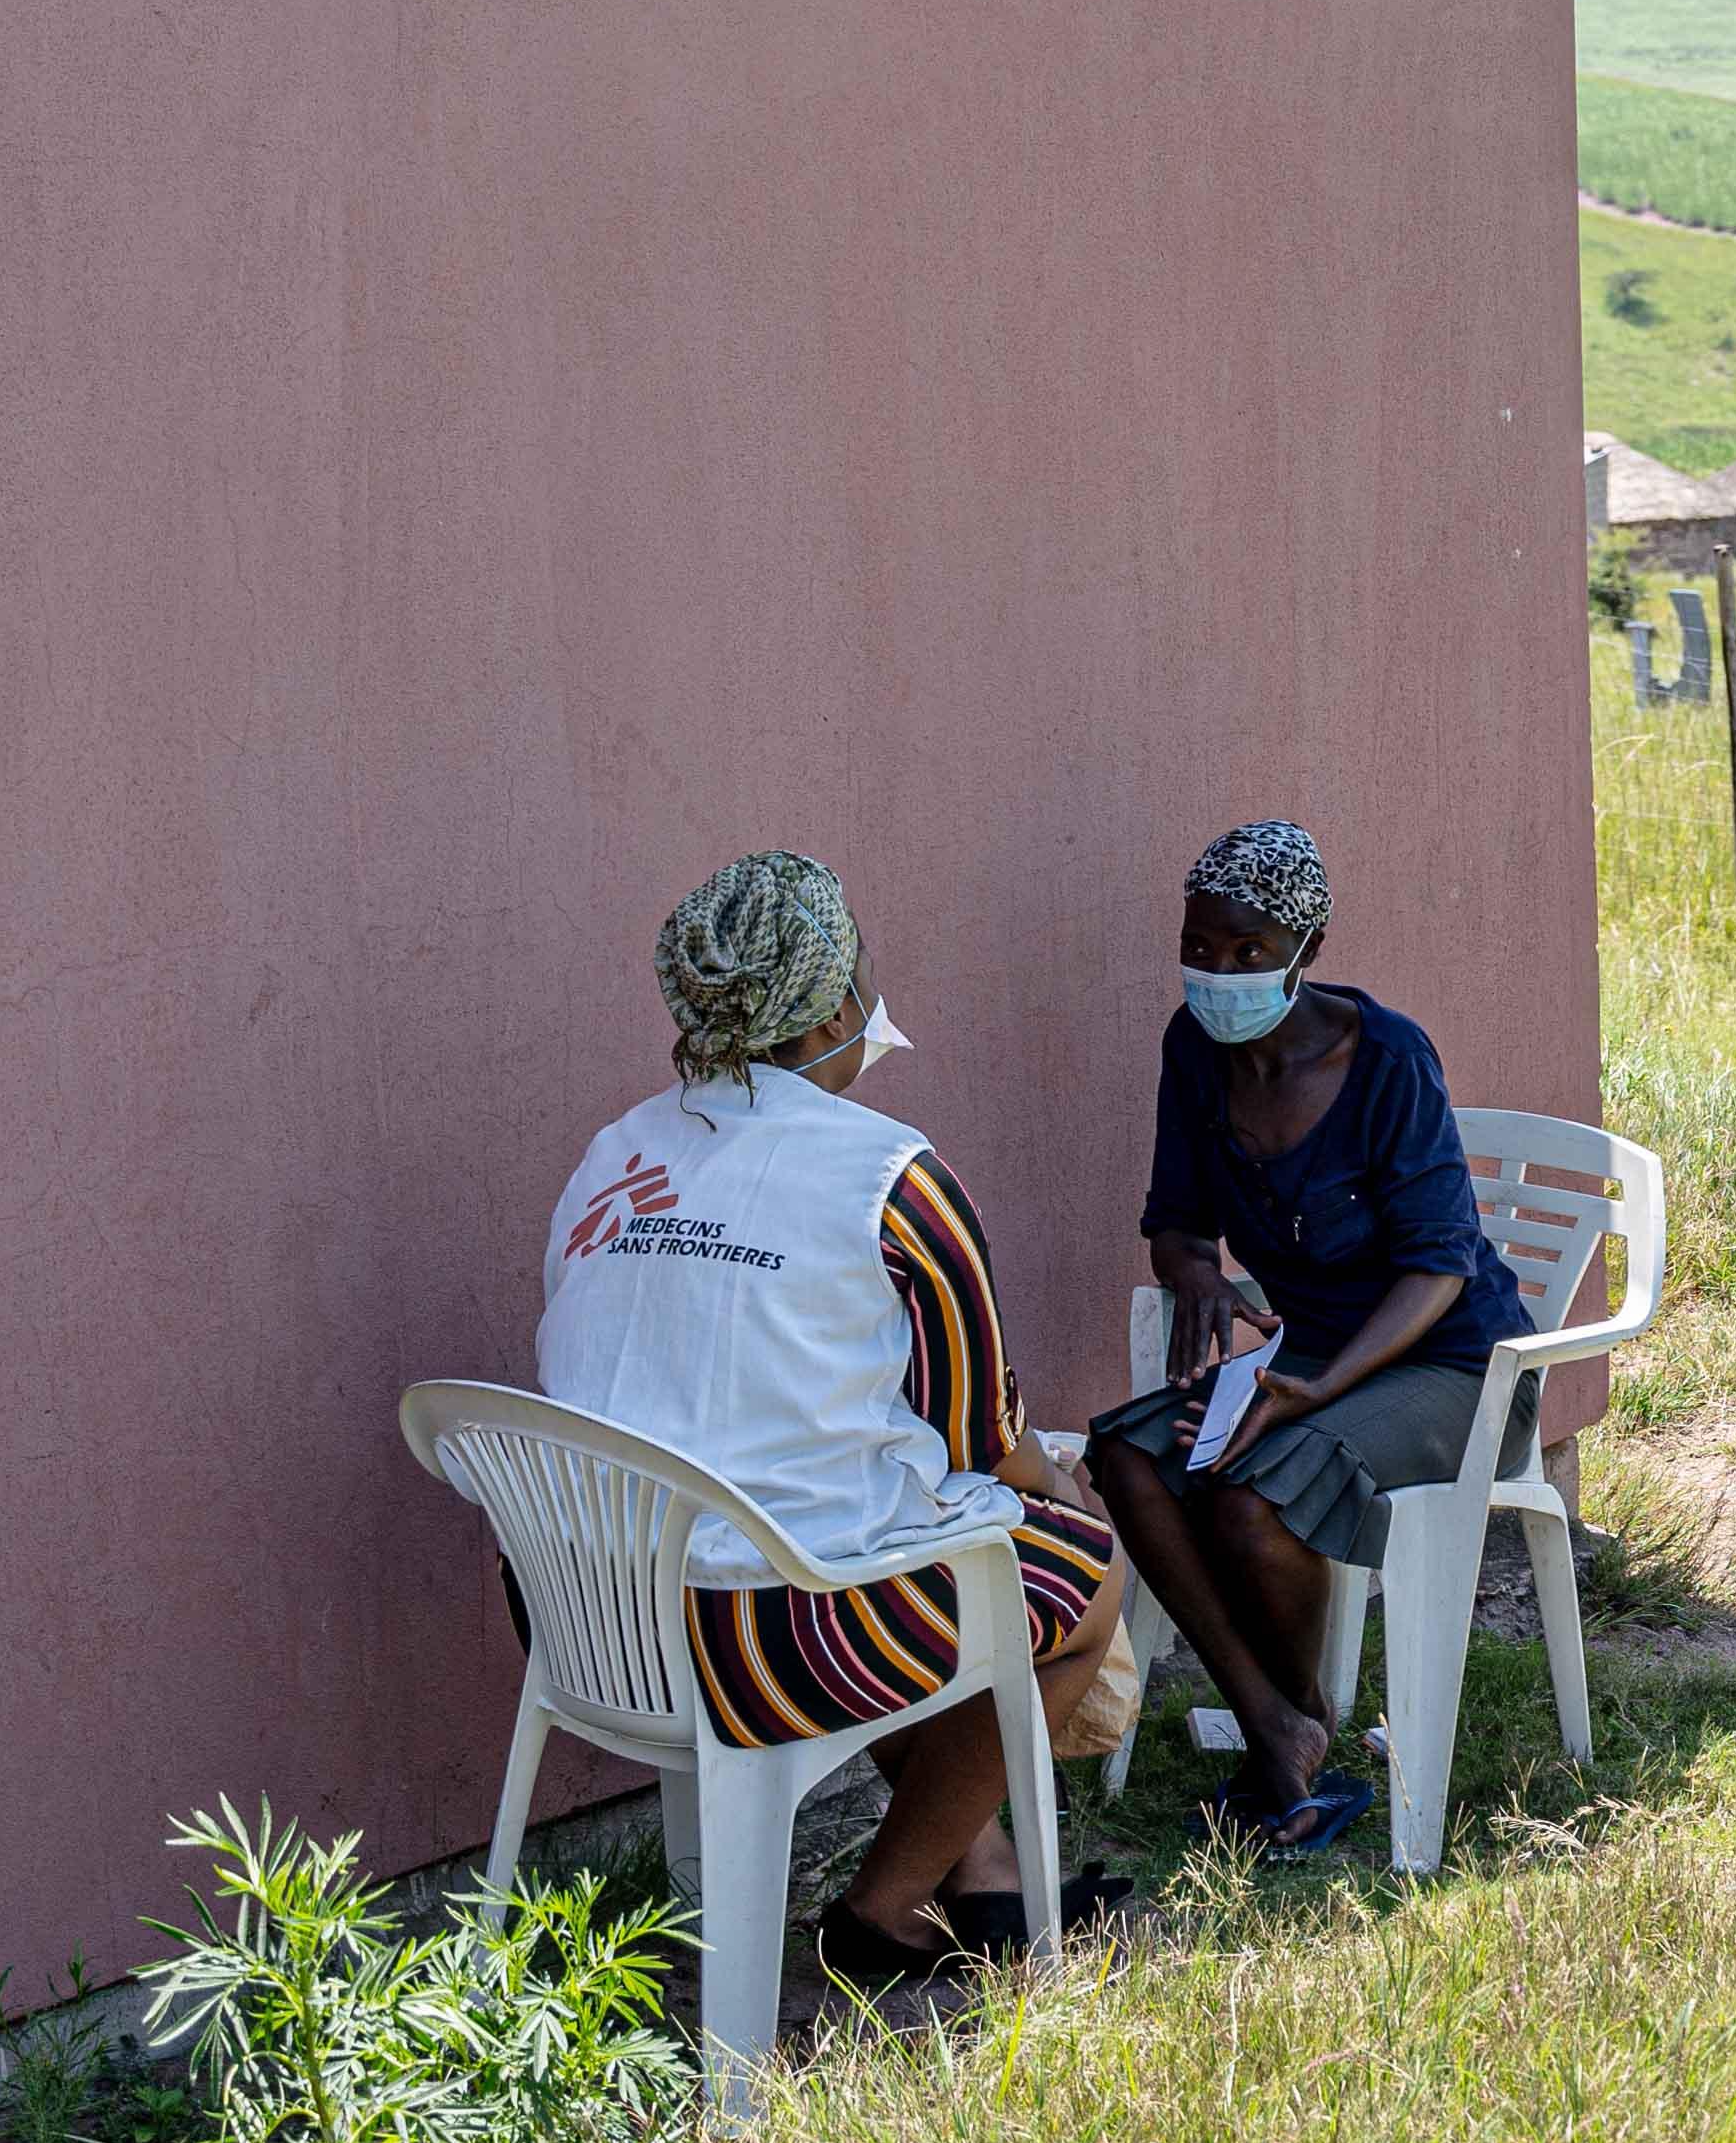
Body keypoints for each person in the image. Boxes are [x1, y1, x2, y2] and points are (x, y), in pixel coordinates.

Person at [534, 850, 1123, 1990]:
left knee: (904, 1554)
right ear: (836, 1006)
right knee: (1073, 1581)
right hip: (753, 1643)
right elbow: (977, 1436)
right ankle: (879, 1911)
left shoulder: (615, 1150)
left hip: (586, 1615)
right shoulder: (889, 1176)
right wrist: (1061, 1486)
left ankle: (979, 1866)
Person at [1086, 820, 1534, 1856]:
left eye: (1249, 951)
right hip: (1303, 1360)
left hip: (1452, 1367)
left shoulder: (1387, 1059)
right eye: (1203, 944)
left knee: (1249, 1496)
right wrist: (1192, 1268)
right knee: (1127, 1457)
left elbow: (1439, 1268)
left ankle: (1282, 1746)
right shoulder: (1192, 1050)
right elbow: (1177, 1219)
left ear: (1307, 949)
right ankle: (1280, 1720)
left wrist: (1320, 1383)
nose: (1219, 971)